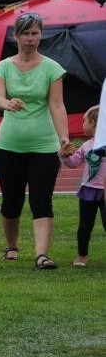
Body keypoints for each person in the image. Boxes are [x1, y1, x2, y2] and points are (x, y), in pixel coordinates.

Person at [0, 11, 72, 269]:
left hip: (44, 147)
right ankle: (12, 246)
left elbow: (57, 106)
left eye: (35, 33)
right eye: (25, 33)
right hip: (8, 146)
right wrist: (7, 103)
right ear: (16, 36)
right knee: (12, 200)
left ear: (41, 35)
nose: (30, 38)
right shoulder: (2, 67)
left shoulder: (52, 69)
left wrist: (64, 138)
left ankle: (41, 255)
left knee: (41, 199)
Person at [59, 105, 104, 267]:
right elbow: (73, 163)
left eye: (85, 121)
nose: (82, 124)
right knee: (85, 225)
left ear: (95, 123)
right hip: (89, 191)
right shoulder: (86, 146)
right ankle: (82, 255)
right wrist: (64, 156)